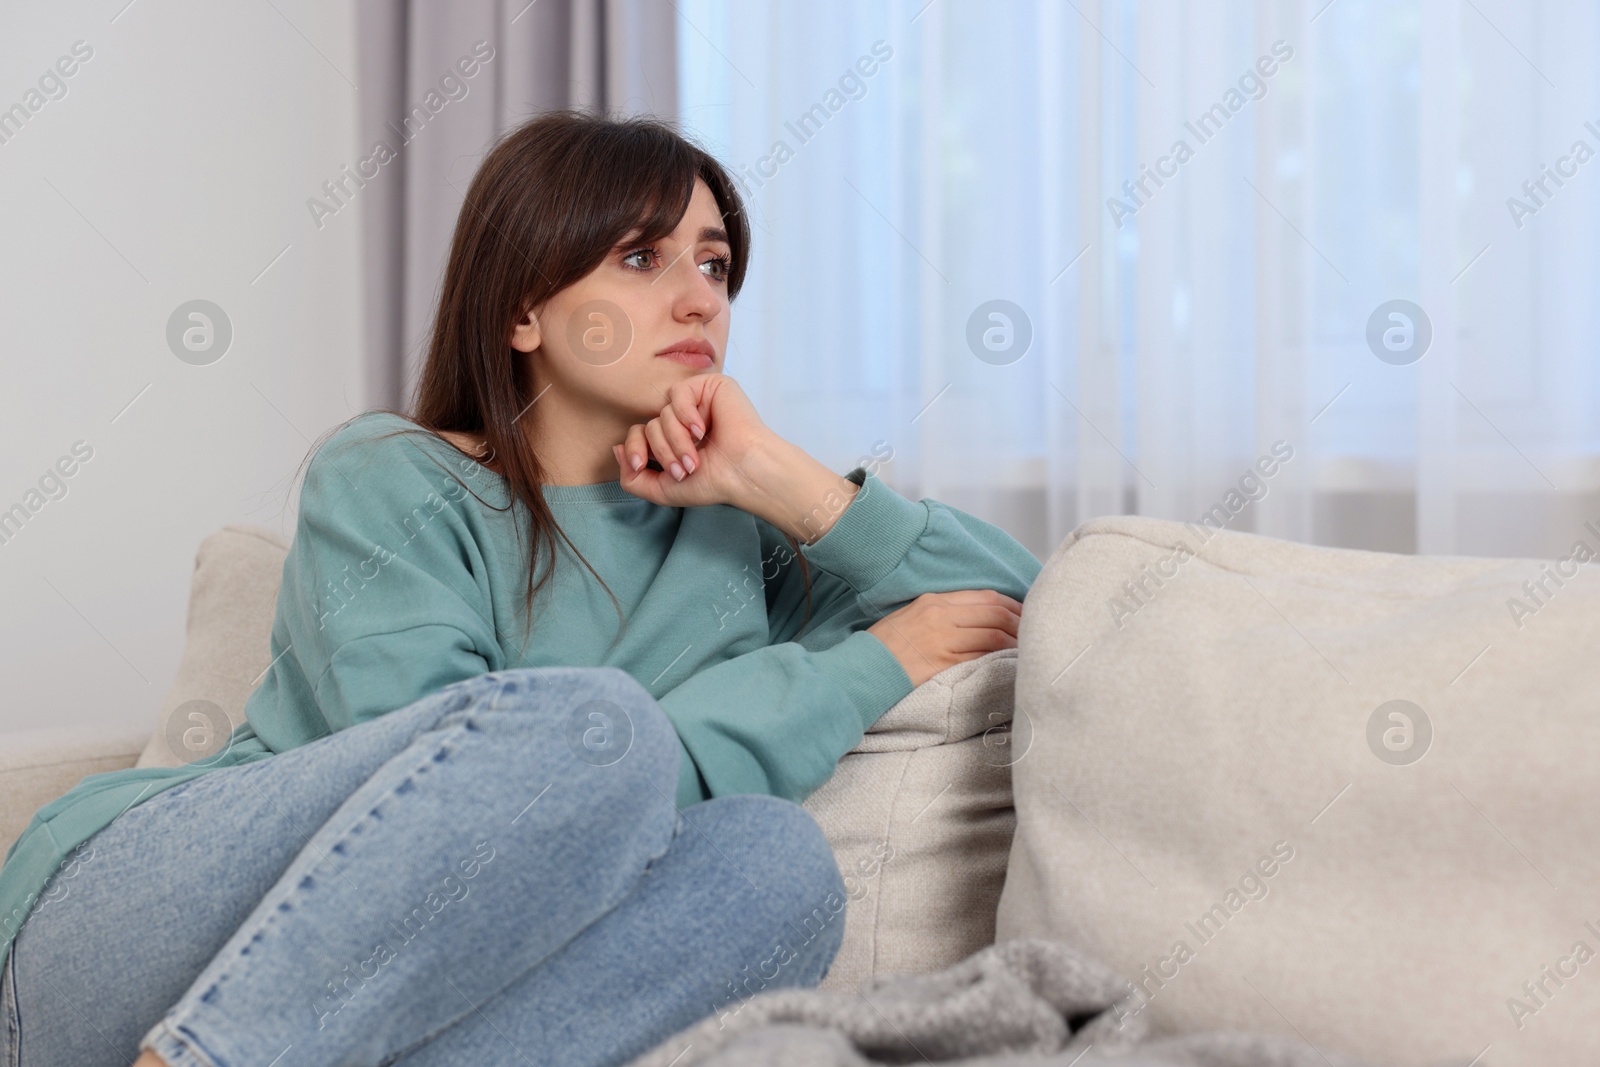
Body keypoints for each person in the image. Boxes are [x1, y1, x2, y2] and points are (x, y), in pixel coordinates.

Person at [0, 108, 1040, 1067]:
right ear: (523, 311)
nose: (698, 298)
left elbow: (1032, 611)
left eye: (716, 266)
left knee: (778, 866)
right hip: (131, 924)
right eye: (641, 257)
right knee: (595, 724)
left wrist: (779, 476)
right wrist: (864, 667)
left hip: (389, 1004)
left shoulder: (740, 532)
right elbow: (442, 794)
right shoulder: (390, 475)